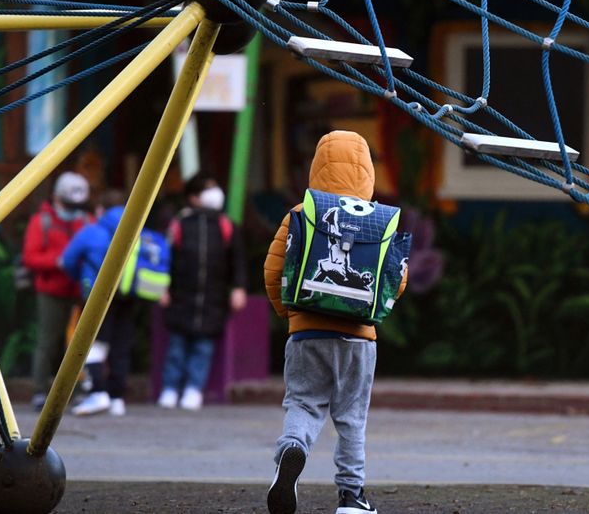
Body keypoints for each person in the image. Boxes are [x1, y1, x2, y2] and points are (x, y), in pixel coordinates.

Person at [262, 131, 407, 514]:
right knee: (352, 418)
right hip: (360, 337)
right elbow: (397, 278)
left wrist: (290, 314)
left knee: (304, 403)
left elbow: (273, 270)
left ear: (317, 166)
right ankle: (351, 497)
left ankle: (293, 446)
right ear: (368, 172)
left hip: (307, 331)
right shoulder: (378, 219)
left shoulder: (300, 212)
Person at [157, 173, 248, 411]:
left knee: (204, 347)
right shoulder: (179, 224)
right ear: (193, 197)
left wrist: (239, 287)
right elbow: (165, 259)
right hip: (180, 296)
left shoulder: (226, 225)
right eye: (208, 188)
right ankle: (169, 388)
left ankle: (193, 389)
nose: (215, 192)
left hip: (213, 297)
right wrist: (162, 287)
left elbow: (238, 260)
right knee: (176, 345)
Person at [61, 190, 148, 417]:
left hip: (97, 297)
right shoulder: (138, 229)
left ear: (101, 209)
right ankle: (117, 399)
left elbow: (67, 260)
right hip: (129, 297)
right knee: (120, 346)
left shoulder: (93, 231)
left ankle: (98, 393)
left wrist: (79, 278)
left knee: (94, 345)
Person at [21, 171, 91, 410]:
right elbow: (30, 257)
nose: (73, 208)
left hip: (79, 292)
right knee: (46, 342)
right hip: (51, 291)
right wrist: (59, 261)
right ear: (56, 197)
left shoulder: (86, 220)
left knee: (77, 344)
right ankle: (40, 391)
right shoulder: (41, 221)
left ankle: (79, 391)